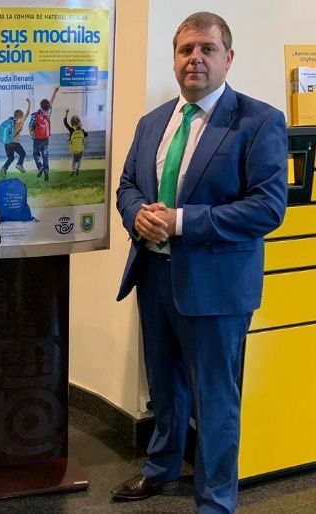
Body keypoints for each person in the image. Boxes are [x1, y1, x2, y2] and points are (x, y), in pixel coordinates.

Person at [114, 11, 287, 514]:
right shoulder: (153, 122)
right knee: (164, 387)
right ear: (175, 60)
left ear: (228, 58)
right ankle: (161, 468)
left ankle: (215, 500)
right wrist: (138, 215)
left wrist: (182, 222)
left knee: (215, 400)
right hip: (155, 275)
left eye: (207, 49)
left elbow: (266, 207)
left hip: (216, 288)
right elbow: (127, 185)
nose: (196, 59)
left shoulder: (258, 121)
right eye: (186, 49)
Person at [30, 85, 59, 181]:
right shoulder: (48, 113)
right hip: (46, 138)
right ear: (47, 107)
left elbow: (30, 126)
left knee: (36, 154)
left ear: (40, 105)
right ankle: (46, 171)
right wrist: (55, 92)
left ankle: (40, 167)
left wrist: (32, 136)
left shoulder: (35, 115)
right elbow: (51, 102)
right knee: (45, 155)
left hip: (37, 138)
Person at [0, 98, 31, 176]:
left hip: (6, 143)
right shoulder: (19, 121)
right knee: (23, 154)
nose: (23, 116)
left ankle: (4, 168)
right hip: (14, 142)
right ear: (20, 116)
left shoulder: (10, 121)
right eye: (22, 115)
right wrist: (29, 103)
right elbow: (28, 113)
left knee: (11, 158)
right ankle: (19, 164)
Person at [63, 108, 88, 176]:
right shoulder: (81, 129)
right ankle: (78, 167)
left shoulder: (71, 129)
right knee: (79, 159)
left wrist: (66, 113)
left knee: (74, 159)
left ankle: (73, 169)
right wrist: (81, 129)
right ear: (79, 121)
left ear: (72, 122)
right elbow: (86, 134)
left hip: (74, 148)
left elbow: (65, 123)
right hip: (80, 148)